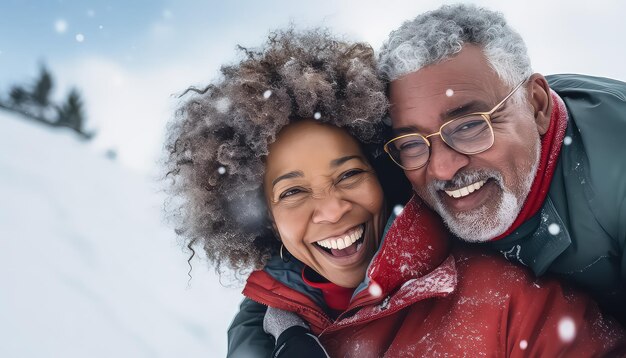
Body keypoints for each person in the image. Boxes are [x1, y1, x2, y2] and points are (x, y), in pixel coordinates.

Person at [163, 29, 626, 357]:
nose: (330, 209)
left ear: (381, 173)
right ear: (264, 217)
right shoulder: (271, 322)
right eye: (292, 193)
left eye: (347, 176)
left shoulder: (508, 302)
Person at [378, 3, 626, 324]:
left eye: (469, 125)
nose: (442, 168)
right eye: (412, 142)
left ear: (536, 105)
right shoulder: (384, 177)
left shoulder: (616, 162)